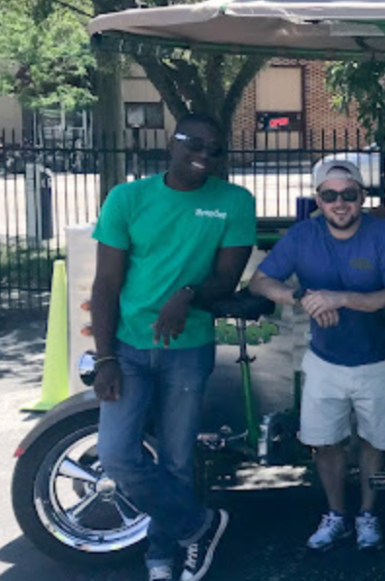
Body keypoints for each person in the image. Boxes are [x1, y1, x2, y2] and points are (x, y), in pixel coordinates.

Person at [90, 114, 256, 581]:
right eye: (195, 143)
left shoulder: (234, 202)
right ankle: (198, 527)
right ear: (172, 142)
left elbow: (226, 279)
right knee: (117, 454)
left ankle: (162, 557)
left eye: (215, 149)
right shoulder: (128, 198)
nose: (204, 154)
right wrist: (105, 357)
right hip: (128, 347)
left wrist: (185, 296)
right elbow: (105, 283)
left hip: (190, 347)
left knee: (178, 459)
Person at [249, 159, 385, 552]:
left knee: (376, 442)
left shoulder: (384, 234)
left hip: (381, 358)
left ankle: (368, 512)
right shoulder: (302, 235)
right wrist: (302, 298)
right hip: (324, 360)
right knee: (326, 444)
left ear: (362, 197)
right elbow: (260, 281)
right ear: (317, 201)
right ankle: (337, 513)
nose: (340, 203)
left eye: (349, 194)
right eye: (330, 195)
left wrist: (341, 298)